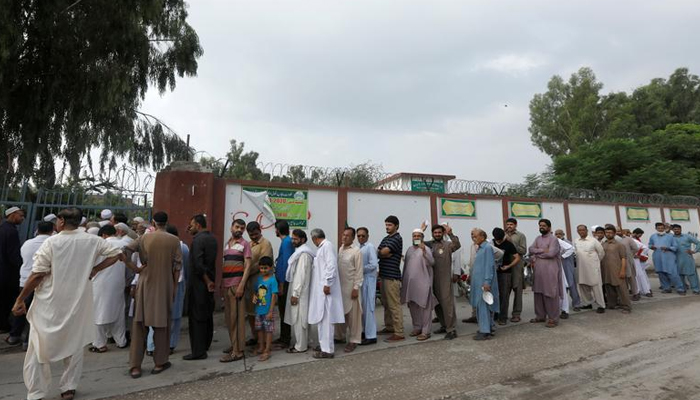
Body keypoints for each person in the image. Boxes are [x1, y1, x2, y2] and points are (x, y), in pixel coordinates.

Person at [12, 208, 121, 400]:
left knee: (38, 346)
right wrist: (95, 269)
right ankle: (68, 387)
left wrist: (20, 299)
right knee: (75, 343)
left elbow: (37, 274)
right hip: (78, 302)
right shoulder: (93, 240)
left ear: (61, 221)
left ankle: (36, 392)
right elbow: (117, 253)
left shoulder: (52, 243)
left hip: (49, 303)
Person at [123, 211, 183, 378]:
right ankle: (159, 363)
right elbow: (177, 267)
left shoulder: (143, 238)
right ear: (167, 222)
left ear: (154, 222)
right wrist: (174, 289)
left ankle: (135, 367)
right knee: (162, 326)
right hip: (164, 286)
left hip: (145, 283)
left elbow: (125, 252)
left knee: (139, 325)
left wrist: (135, 269)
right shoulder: (174, 240)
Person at [7, 221, 53, 348]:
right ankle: (27, 341)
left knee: (21, 308)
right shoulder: (52, 243)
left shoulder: (27, 243)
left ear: (37, 230)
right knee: (35, 313)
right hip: (41, 283)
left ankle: (14, 335)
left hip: (25, 280)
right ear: (52, 230)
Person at [147, 225, 190, 355]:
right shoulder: (183, 247)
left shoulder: (154, 245)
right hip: (178, 283)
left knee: (155, 315)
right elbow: (186, 266)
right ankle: (170, 345)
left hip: (158, 284)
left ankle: (152, 346)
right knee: (175, 316)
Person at [183, 214, 218, 361]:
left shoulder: (198, 241)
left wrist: (207, 280)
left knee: (196, 318)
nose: (189, 228)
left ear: (197, 225)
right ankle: (205, 344)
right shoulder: (212, 238)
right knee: (207, 314)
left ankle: (198, 351)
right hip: (208, 283)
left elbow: (198, 265)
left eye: (191, 225)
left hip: (199, 284)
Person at [90, 225, 128, 353]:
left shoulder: (100, 244)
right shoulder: (124, 244)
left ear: (103, 235)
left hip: (101, 283)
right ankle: (121, 341)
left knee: (99, 312)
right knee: (118, 311)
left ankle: (99, 344)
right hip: (119, 282)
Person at [308, 228, 344, 359]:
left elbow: (331, 265)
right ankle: (324, 346)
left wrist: (328, 284)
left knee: (327, 321)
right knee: (322, 320)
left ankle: (328, 350)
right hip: (321, 291)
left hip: (326, 291)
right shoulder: (322, 248)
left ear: (314, 238)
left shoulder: (327, 246)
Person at [219, 218, 251, 363]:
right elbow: (224, 265)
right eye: (237, 227)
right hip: (226, 286)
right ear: (231, 227)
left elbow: (248, 266)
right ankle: (234, 345)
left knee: (237, 319)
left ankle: (237, 352)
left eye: (242, 228)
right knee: (229, 319)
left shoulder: (245, 244)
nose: (239, 230)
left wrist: (241, 285)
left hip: (236, 286)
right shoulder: (227, 244)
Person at [425, 223, 460, 340]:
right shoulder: (428, 245)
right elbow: (416, 242)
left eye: (439, 232)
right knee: (437, 304)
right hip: (432, 279)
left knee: (447, 304)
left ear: (443, 233)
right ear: (432, 234)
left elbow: (457, 244)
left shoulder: (448, 245)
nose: (437, 234)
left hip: (444, 279)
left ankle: (451, 329)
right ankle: (444, 325)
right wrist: (421, 230)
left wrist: (450, 232)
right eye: (435, 233)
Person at [400, 228, 436, 341]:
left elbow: (432, 262)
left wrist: (424, 250)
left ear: (422, 238)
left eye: (418, 236)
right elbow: (405, 267)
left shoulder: (426, 248)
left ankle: (426, 331)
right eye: (414, 236)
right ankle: (417, 327)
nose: (416, 238)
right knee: (413, 307)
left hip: (423, 283)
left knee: (424, 308)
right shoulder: (409, 250)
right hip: (410, 284)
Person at [284, 229, 315, 353]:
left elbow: (300, 276)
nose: (293, 241)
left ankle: (300, 346)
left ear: (302, 239)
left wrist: (295, 294)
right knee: (302, 319)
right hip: (302, 290)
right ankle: (304, 343)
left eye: (295, 239)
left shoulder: (303, 254)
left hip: (300, 292)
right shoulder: (301, 252)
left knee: (299, 319)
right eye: (292, 238)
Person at [528, 219, 562, 328]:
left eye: (544, 225)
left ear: (549, 227)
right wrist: (543, 250)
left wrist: (537, 252)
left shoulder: (554, 239)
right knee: (538, 293)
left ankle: (553, 318)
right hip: (538, 271)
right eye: (540, 225)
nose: (541, 227)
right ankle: (540, 316)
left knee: (550, 293)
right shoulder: (538, 238)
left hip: (550, 270)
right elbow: (530, 249)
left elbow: (551, 253)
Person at [335, 227, 364, 352]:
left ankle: (354, 340)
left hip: (352, 288)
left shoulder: (356, 251)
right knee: (340, 314)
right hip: (340, 288)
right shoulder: (341, 249)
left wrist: (356, 287)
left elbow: (359, 271)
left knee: (354, 316)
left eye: (348, 235)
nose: (344, 237)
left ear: (353, 238)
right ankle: (339, 336)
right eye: (343, 234)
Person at [245, 221, 273, 346]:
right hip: (250, 283)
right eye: (251, 235)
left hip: (262, 284)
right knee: (251, 311)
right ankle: (255, 336)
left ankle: (264, 343)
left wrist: (246, 271)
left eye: (255, 234)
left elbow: (263, 263)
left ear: (260, 230)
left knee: (262, 311)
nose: (254, 237)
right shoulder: (249, 244)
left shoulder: (265, 243)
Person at [377, 215, 404, 342]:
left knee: (394, 305)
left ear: (396, 226)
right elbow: (379, 252)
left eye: (390, 225)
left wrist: (384, 253)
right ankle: (389, 327)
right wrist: (383, 253)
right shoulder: (385, 238)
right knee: (386, 304)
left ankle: (399, 332)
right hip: (383, 275)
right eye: (386, 225)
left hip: (392, 277)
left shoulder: (397, 238)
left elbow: (383, 252)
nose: (387, 227)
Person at [471, 229, 499, 340]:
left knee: (483, 307)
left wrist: (487, 281)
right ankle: (489, 327)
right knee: (484, 306)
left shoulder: (487, 248)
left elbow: (489, 266)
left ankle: (485, 331)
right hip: (479, 283)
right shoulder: (480, 248)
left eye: (475, 236)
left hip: (484, 283)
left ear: (482, 236)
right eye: (472, 236)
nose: (474, 238)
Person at [1, 206, 24, 335]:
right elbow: (13, 255)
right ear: (13, 214)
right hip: (8, 273)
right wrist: (20, 266)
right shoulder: (11, 231)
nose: (22, 218)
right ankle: (4, 325)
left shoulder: (3, 228)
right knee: (7, 300)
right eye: (20, 215)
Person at [573, 225, 606, 313]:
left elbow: (601, 252)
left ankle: (601, 305)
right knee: (583, 286)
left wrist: (596, 262)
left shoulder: (593, 240)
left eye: (583, 230)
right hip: (581, 267)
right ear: (577, 231)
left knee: (596, 286)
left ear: (587, 230)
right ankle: (587, 303)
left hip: (593, 267)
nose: (581, 232)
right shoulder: (576, 241)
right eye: (579, 230)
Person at [492, 228, 520, 325]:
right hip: (494, 273)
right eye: (497, 240)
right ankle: (495, 314)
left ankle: (503, 317)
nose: (498, 241)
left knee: (504, 296)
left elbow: (517, 257)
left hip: (505, 273)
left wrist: (509, 266)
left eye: (500, 239)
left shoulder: (509, 244)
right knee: (494, 295)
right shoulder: (491, 243)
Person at [601, 226, 631, 313]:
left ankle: (626, 306)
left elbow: (624, 258)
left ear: (614, 233)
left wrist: (622, 270)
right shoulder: (603, 244)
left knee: (621, 289)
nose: (608, 234)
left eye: (610, 232)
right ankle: (612, 304)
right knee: (609, 287)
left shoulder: (619, 245)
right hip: (606, 270)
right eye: (606, 232)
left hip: (617, 270)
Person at [253, 256, 278, 361]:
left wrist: (270, 311)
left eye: (265, 268)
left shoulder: (273, 280)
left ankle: (267, 349)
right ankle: (261, 347)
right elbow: (256, 292)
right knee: (259, 329)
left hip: (268, 311)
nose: (263, 270)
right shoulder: (258, 279)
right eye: (261, 268)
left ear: (270, 268)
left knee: (268, 330)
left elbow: (273, 296)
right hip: (259, 310)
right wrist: (254, 296)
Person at [648, 222, 685, 294]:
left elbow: (675, 247)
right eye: (659, 228)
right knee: (661, 273)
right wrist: (652, 247)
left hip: (669, 257)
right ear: (656, 228)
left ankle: (680, 289)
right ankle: (666, 288)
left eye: (662, 228)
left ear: (664, 228)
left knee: (673, 273)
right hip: (657, 257)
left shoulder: (670, 236)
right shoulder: (653, 236)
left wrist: (668, 248)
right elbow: (650, 244)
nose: (660, 229)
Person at [274, 220, 294, 348]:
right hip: (282, 281)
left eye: (275, 229)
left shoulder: (286, 242)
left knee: (284, 310)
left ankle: (286, 339)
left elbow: (286, 264)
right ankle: (283, 336)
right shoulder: (285, 241)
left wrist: (282, 283)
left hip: (284, 282)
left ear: (278, 229)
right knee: (282, 310)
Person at [357, 227, 379, 345]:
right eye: (359, 236)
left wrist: (360, 269)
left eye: (363, 236)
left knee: (369, 307)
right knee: (363, 308)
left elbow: (373, 264)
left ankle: (371, 335)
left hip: (369, 280)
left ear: (367, 236)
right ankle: (365, 332)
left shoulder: (369, 247)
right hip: (362, 280)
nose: (361, 238)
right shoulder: (359, 248)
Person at [504, 218, 526, 323]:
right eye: (507, 224)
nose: (509, 226)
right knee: (504, 291)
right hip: (505, 267)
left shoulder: (520, 236)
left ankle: (516, 314)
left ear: (515, 225)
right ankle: (502, 314)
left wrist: (511, 242)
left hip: (517, 267)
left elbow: (523, 250)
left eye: (511, 224)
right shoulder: (502, 235)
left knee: (517, 291)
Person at [555, 229, 581, 312]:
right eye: (556, 234)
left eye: (559, 234)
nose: (558, 235)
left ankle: (576, 304)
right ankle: (562, 306)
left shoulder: (567, 242)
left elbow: (570, 250)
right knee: (561, 287)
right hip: (559, 267)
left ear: (563, 234)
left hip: (568, 267)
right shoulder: (555, 243)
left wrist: (562, 256)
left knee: (572, 285)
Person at [671, 224, 700, 295]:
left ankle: (696, 289)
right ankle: (682, 289)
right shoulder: (671, 238)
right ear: (673, 230)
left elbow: (698, 243)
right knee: (679, 275)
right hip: (675, 258)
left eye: (678, 229)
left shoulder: (687, 236)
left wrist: (694, 251)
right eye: (675, 229)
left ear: (681, 229)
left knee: (691, 274)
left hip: (687, 258)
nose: (676, 230)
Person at [616, 228, 640, 301]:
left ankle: (635, 293)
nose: (617, 232)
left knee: (631, 278)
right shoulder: (613, 240)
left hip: (628, 261)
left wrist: (630, 255)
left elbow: (635, 248)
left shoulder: (628, 239)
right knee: (622, 279)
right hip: (618, 262)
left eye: (619, 231)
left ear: (622, 231)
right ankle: (624, 295)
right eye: (616, 231)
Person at [556, 235, 575, 319]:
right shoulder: (539, 239)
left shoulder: (556, 240)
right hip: (545, 268)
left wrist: (562, 256)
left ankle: (564, 310)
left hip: (557, 266)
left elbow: (571, 248)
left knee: (562, 288)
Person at [631, 228, 652, 297]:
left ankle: (646, 290)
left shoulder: (634, 240)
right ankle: (639, 290)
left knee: (640, 275)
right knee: (636, 276)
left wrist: (639, 255)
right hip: (633, 260)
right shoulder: (631, 239)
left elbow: (644, 248)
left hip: (637, 261)